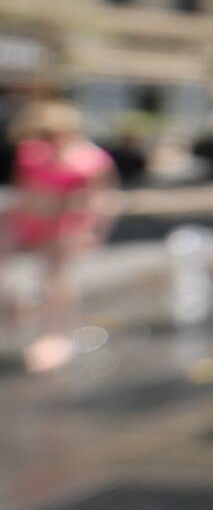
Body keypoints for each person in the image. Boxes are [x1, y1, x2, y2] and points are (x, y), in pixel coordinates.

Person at [7, 100, 119, 371]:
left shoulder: (89, 160)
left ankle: (55, 337)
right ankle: (13, 308)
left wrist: (93, 231)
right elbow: (23, 188)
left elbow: (103, 200)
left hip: (63, 225)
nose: (48, 141)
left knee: (54, 281)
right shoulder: (32, 153)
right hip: (27, 219)